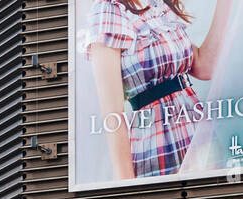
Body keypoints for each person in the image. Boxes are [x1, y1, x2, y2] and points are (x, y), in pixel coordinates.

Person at [86, 0, 234, 183]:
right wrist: (125, 187)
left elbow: (204, 66)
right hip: (157, 144)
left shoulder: (159, 5)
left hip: (198, 135)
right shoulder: (108, 10)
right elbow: (113, 116)